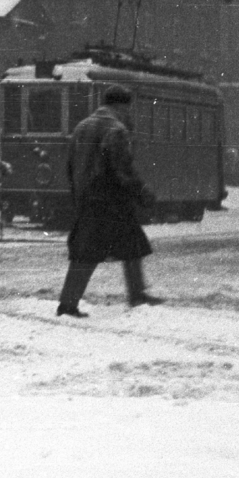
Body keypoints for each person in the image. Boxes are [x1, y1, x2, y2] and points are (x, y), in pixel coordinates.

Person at [57, 85, 162, 317]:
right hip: (111, 201)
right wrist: (143, 192)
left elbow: (70, 167)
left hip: (88, 200)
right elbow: (122, 168)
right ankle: (136, 296)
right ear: (121, 105)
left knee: (86, 254)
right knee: (131, 247)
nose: (129, 113)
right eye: (128, 108)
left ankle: (68, 302)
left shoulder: (81, 127)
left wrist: (78, 198)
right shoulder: (116, 129)